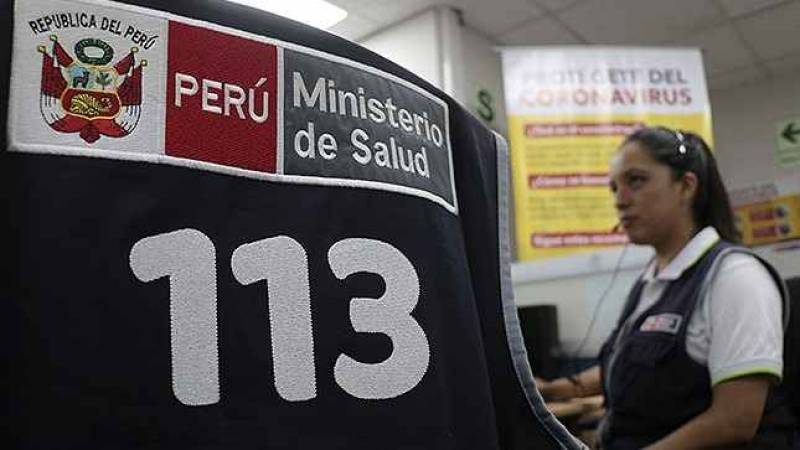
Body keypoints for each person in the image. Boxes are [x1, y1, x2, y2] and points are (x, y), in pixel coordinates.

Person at [537, 126, 797, 449]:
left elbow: (734, 420)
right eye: (614, 188)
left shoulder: (735, 277)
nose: (620, 200)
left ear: (686, 186)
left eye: (636, 181)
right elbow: (628, 367)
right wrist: (552, 389)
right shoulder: (649, 283)